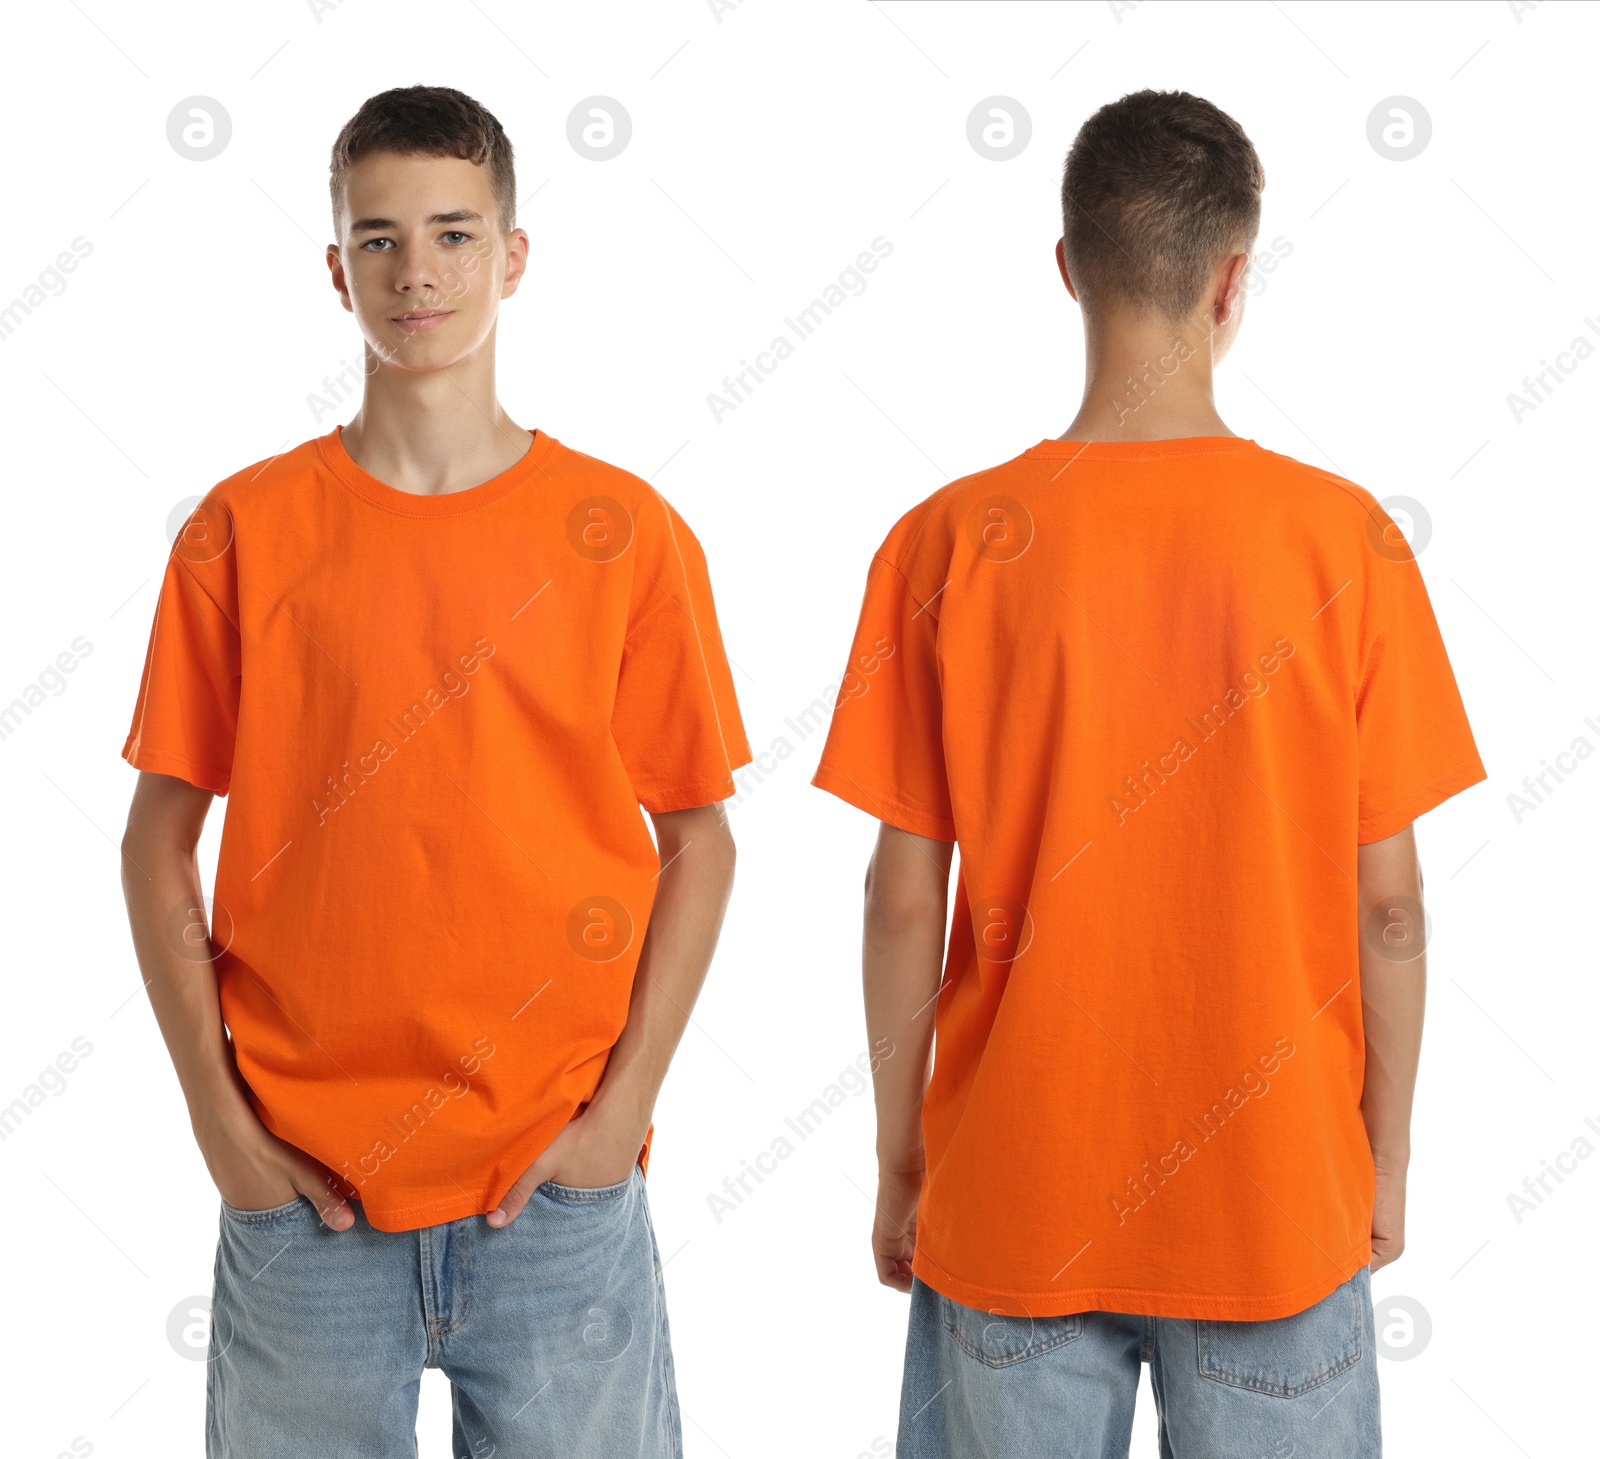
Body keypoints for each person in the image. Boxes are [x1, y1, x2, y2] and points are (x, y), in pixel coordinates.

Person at [812, 89, 1484, 1458]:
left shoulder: (943, 544)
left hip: (1014, 1194)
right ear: (1236, 280)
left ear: (1067, 268)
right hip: (1279, 1199)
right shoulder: (1344, 545)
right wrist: (1384, 1153)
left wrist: (900, 1158)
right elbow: (1395, 906)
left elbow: (897, 903)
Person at [118, 85, 749, 1459]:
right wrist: (221, 1128)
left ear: (513, 257)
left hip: (554, 1198)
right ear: (337, 266)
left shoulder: (624, 535)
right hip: (305, 1206)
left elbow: (700, 836)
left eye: (456, 235)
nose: (420, 275)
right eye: (383, 239)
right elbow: (154, 839)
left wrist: (621, 1115)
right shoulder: (243, 533)